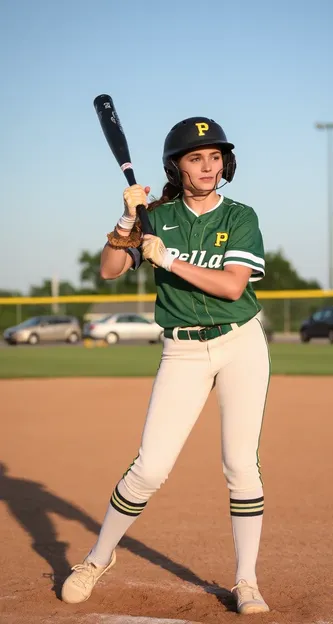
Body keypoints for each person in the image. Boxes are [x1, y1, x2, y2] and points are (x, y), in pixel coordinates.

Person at [61, 117, 271, 615]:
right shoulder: (157, 216)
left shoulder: (240, 216)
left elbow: (233, 287)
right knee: (150, 467)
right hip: (182, 350)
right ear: (176, 166)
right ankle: (96, 559)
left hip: (240, 343)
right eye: (197, 158)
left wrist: (169, 261)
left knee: (241, 465)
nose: (208, 166)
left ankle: (246, 581)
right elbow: (110, 270)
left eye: (215, 157)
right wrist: (127, 223)